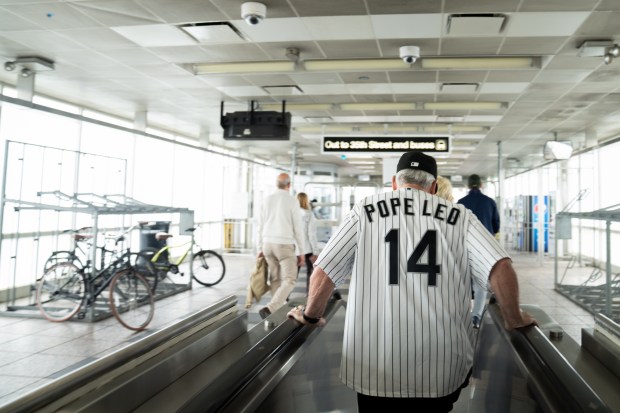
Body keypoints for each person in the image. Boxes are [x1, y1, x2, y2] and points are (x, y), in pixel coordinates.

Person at [287, 151, 535, 412]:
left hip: (374, 363)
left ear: (395, 183)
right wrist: (513, 318)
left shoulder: (364, 210)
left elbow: (325, 270)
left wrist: (312, 316)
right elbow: (500, 266)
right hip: (441, 366)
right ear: (433, 186)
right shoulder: (460, 217)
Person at [257, 173, 305, 319]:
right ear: (289, 185)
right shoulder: (291, 201)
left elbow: (260, 225)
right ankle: (271, 308)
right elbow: (298, 227)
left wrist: (260, 247)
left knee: (276, 278)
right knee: (290, 279)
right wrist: (302, 251)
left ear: (276, 184)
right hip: (283, 244)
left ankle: (275, 313)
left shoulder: (267, 200)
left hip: (267, 244)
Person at [458, 174, 500, 329]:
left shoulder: (461, 203)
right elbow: (496, 225)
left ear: (469, 185)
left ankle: (463, 314)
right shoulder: (489, 202)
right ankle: (476, 316)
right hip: (484, 248)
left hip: (464, 245)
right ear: (481, 185)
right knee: (481, 282)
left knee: (463, 281)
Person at [296, 192, 320, 293]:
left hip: (295, 248)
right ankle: (309, 294)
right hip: (307, 249)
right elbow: (312, 235)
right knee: (310, 273)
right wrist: (316, 251)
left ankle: (285, 297)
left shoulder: (292, 214)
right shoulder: (309, 215)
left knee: (292, 275)